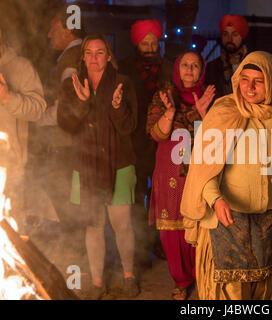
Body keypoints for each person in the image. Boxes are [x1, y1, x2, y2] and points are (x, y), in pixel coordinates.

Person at [180, 51, 272, 300]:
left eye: (259, 80)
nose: (250, 87)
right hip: (228, 219)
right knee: (230, 293)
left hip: (270, 220)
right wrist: (215, 199)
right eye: (244, 79)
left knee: (265, 290)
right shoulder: (224, 111)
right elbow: (205, 166)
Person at [57, 33, 139, 299]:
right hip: (86, 165)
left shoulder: (123, 84)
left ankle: (129, 276)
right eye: (89, 53)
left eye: (100, 52)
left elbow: (129, 127)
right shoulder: (72, 85)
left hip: (119, 164)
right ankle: (96, 282)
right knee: (93, 224)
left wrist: (116, 106)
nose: (94, 58)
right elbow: (66, 125)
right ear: (82, 57)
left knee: (122, 224)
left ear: (109, 56)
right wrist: (81, 104)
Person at [146, 50, 215, 300]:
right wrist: (171, 112)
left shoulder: (210, 98)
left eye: (195, 65)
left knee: (199, 226)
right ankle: (181, 281)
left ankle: (201, 276)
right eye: (184, 64)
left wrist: (204, 113)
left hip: (199, 172)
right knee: (172, 230)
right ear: (177, 68)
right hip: (170, 173)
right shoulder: (164, 96)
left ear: (201, 70)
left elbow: (218, 136)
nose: (189, 69)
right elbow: (157, 134)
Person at [118, 19, 173, 266]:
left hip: (164, 140)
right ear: (136, 44)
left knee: (162, 195)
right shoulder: (125, 68)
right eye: (145, 43)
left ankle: (159, 243)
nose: (150, 47)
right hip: (134, 141)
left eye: (154, 42)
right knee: (137, 194)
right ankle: (139, 247)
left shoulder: (169, 69)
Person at [27, 4, 85, 231]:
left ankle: (74, 256)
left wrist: (35, 119)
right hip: (81, 145)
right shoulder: (83, 54)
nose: (49, 34)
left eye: (53, 28)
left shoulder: (71, 59)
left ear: (68, 30)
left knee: (67, 203)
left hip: (67, 145)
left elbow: (66, 107)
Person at [0, 20, 47, 230]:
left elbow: (38, 109)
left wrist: (8, 97)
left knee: (9, 233)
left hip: (10, 169)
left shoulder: (20, 67)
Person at [205, 14, 249, 100]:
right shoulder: (212, 67)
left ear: (242, 37)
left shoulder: (252, 63)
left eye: (234, 34)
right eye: (225, 34)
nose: (229, 39)